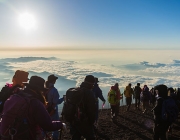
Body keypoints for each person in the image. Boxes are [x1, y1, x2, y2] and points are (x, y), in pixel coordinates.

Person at [0, 76, 65, 140]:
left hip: (6, 134)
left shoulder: (14, 96)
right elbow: (48, 125)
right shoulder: (35, 103)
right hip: (24, 136)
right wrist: (60, 124)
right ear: (39, 90)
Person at [70, 75, 96, 140]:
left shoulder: (76, 91)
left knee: (75, 137)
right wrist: (92, 122)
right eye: (93, 85)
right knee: (90, 137)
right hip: (84, 121)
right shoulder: (89, 93)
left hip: (73, 120)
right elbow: (91, 110)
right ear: (91, 84)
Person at [45, 74, 64, 140]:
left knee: (45, 124)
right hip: (53, 110)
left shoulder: (44, 89)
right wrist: (63, 99)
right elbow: (56, 102)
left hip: (45, 110)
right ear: (53, 81)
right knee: (56, 126)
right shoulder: (54, 90)